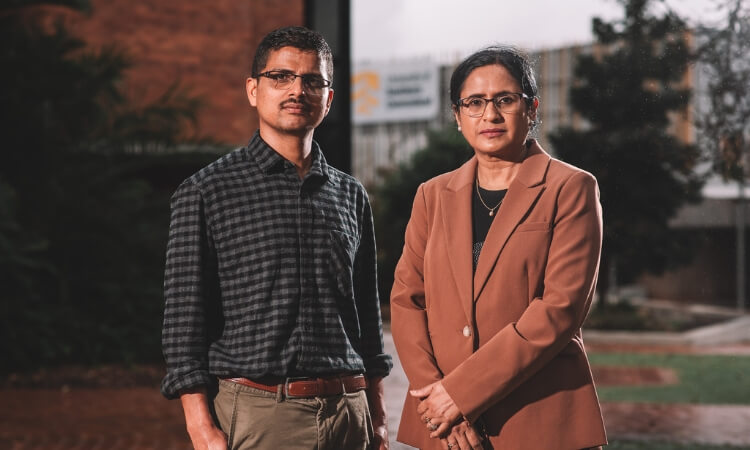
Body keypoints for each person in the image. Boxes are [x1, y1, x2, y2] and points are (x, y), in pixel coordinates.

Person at [161, 26, 392, 450]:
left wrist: (376, 416)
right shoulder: (206, 192)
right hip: (260, 414)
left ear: (329, 97)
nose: (297, 90)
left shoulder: (351, 194)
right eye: (281, 76)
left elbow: (366, 318)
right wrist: (200, 427)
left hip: (349, 414)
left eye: (312, 80)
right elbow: (182, 323)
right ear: (253, 89)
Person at [390, 46, 607, 450]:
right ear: (457, 117)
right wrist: (436, 397)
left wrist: (460, 394)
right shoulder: (432, 195)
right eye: (473, 103)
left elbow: (559, 310)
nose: (489, 115)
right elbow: (406, 300)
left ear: (532, 108)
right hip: (447, 429)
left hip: (540, 422)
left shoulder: (571, 188)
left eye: (505, 100)